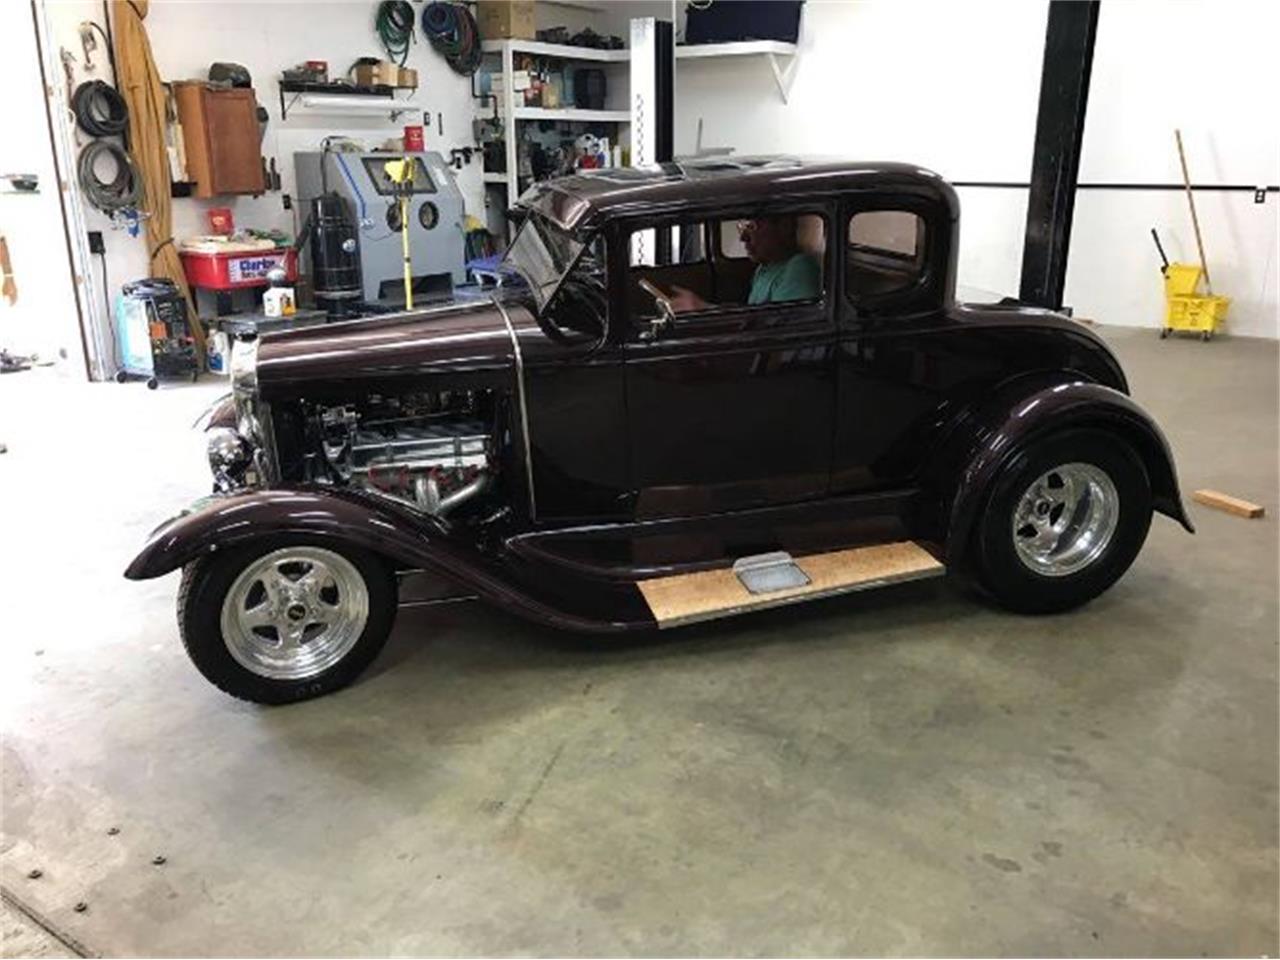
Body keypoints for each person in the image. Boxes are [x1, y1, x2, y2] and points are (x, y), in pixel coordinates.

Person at [665, 216, 820, 312]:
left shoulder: (800, 268)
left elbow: (776, 330)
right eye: (743, 227)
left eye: (752, 227)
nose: (743, 238)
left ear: (784, 227)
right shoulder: (763, 268)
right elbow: (750, 314)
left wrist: (704, 309)